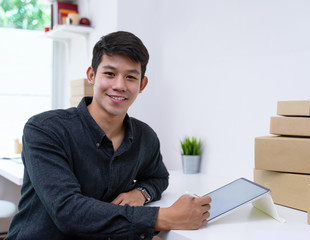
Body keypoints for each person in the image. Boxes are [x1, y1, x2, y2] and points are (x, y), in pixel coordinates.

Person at [6, 31, 211, 240]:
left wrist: (141, 193)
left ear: (142, 85)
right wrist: (166, 216)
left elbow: (158, 178)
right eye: (110, 74)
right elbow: (68, 212)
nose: (120, 85)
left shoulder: (145, 137)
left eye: (130, 77)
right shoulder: (45, 129)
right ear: (91, 75)